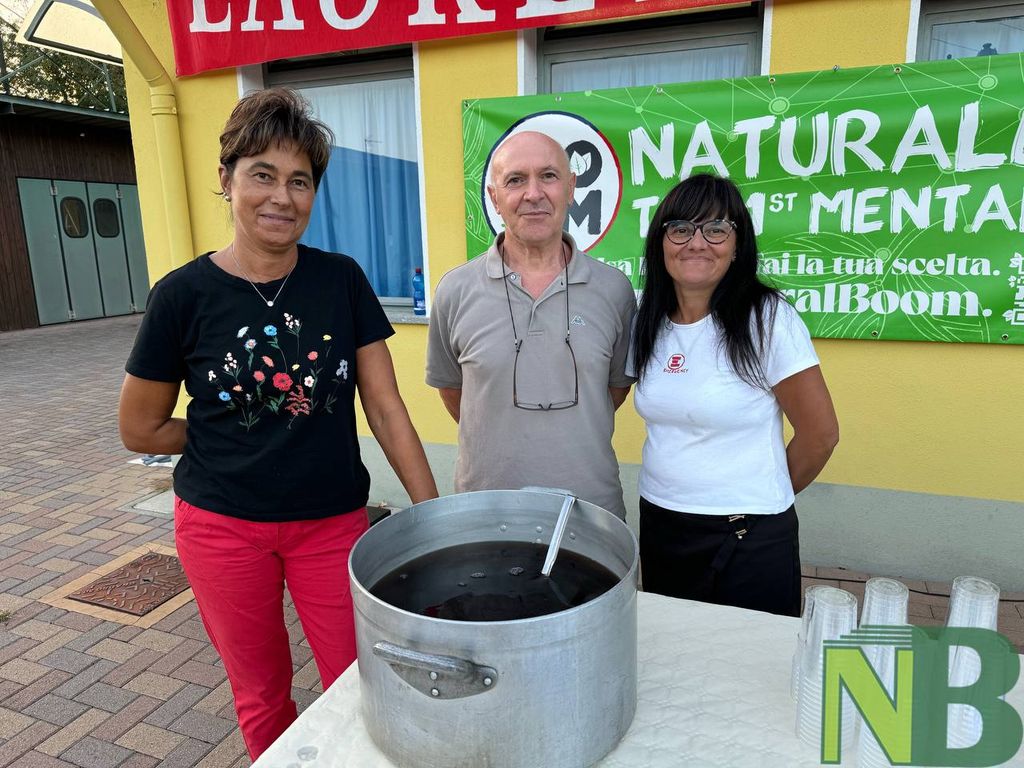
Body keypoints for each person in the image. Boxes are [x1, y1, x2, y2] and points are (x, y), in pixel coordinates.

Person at [118, 88, 438, 760]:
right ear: (226, 178)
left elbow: (386, 410)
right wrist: (228, 433)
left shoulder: (341, 280)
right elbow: (140, 429)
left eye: (300, 181)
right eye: (262, 174)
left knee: (362, 682)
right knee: (262, 693)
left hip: (332, 524)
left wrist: (432, 517)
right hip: (222, 528)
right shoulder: (181, 296)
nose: (281, 197)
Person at [628, 174, 839, 617]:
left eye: (716, 229)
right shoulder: (647, 319)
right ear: (661, 242)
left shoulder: (767, 319)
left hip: (747, 537)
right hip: (662, 523)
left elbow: (820, 435)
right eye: (680, 228)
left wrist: (760, 496)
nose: (697, 243)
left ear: (737, 244)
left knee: (751, 656)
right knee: (674, 648)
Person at [426, 131, 636, 518]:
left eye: (549, 176)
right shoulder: (455, 290)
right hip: (486, 510)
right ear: (495, 198)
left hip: (591, 511)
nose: (533, 194)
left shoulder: (614, 290)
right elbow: (455, 392)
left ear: (571, 188)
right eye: (516, 180)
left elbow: (613, 390)